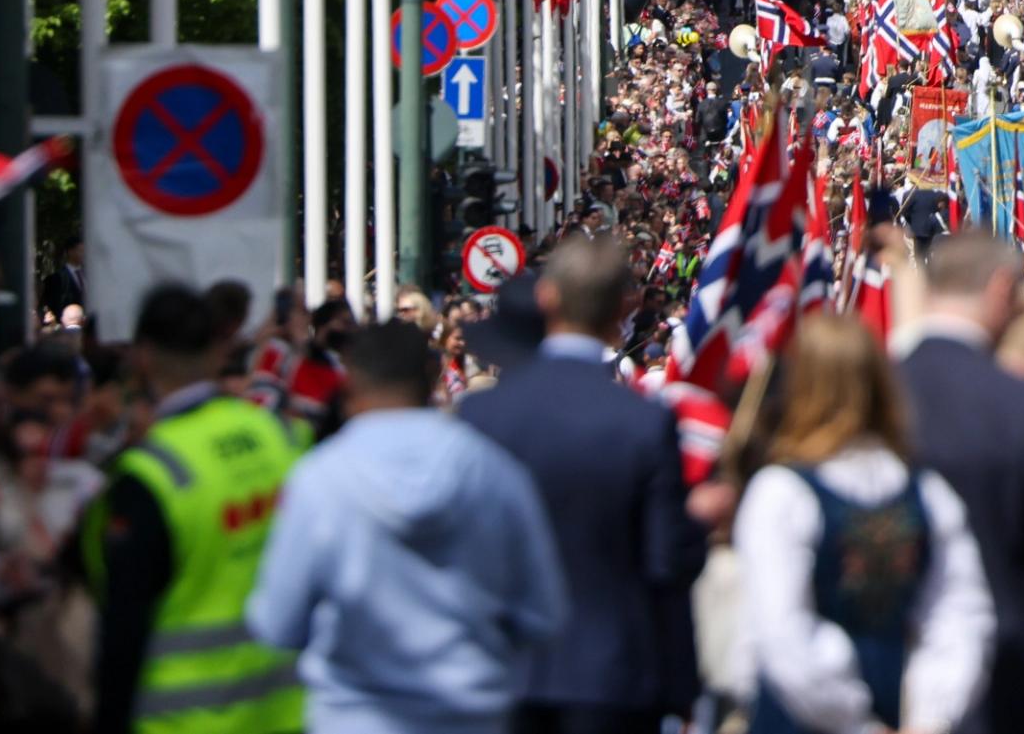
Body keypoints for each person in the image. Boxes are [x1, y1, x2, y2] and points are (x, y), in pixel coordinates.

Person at [245, 318, 569, 734]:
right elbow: (543, 614)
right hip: (471, 715)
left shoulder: (318, 480)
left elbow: (278, 623)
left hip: (352, 718)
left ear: (351, 379)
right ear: (432, 373)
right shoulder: (494, 471)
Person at [449, 233, 709, 734]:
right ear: (623, 309)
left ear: (547, 298)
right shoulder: (644, 422)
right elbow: (667, 564)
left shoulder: (481, 416)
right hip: (611, 678)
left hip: (500, 672)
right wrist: (683, 686)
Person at [740, 311, 998, 734]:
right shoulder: (926, 490)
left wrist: (871, 720)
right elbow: (960, 612)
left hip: (817, 714)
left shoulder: (779, 495)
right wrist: (927, 714)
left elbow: (782, 630)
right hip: (873, 707)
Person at [895, 229, 1024, 732]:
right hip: (1008, 671)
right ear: (1003, 288)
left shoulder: (879, 387)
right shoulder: (1017, 401)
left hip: (892, 664)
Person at [87, 281, 309, 734]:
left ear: (142, 356)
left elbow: (122, 630)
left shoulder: (152, 472)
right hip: (287, 712)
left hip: (182, 720)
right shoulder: (278, 436)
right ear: (216, 350)